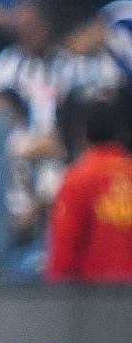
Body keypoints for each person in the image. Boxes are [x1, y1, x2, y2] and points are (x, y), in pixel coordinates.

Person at [45, 94, 132, 281]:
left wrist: (54, 300)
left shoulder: (77, 179)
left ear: (83, 136)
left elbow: (64, 246)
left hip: (92, 300)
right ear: (120, 134)